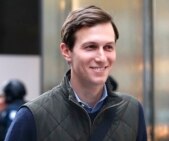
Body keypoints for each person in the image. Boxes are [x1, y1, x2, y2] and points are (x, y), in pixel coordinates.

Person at [5, 5, 147, 141]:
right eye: (91, 47)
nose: (102, 58)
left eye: (108, 47)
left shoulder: (132, 111)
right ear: (66, 51)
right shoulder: (32, 117)